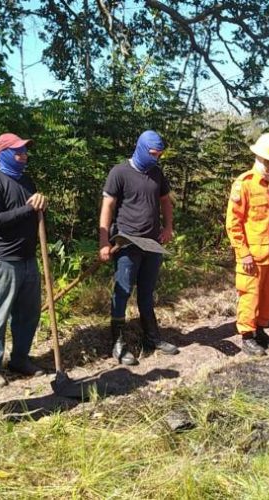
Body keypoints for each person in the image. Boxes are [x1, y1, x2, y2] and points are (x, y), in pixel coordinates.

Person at [99, 130, 179, 365]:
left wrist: (168, 228)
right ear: (142, 149)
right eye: (153, 154)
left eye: (159, 155)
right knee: (122, 292)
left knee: (147, 292)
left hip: (152, 243)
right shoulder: (119, 172)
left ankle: (151, 338)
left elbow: (165, 201)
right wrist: (104, 242)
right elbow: (108, 206)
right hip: (126, 243)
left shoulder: (156, 173)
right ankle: (118, 344)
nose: (156, 158)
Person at [0, 133, 47, 388]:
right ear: (4, 153)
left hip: (29, 260)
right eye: (18, 151)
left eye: (25, 150)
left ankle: (19, 359)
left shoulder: (26, 181)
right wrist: (30, 208)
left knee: (28, 315)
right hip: (4, 262)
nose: (24, 154)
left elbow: (32, 213)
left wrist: (41, 205)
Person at [226, 133, 269, 356]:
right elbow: (233, 224)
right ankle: (248, 336)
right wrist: (243, 254)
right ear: (258, 158)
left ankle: (261, 331)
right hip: (251, 257)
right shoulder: (244, 184)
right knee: (249, 296)